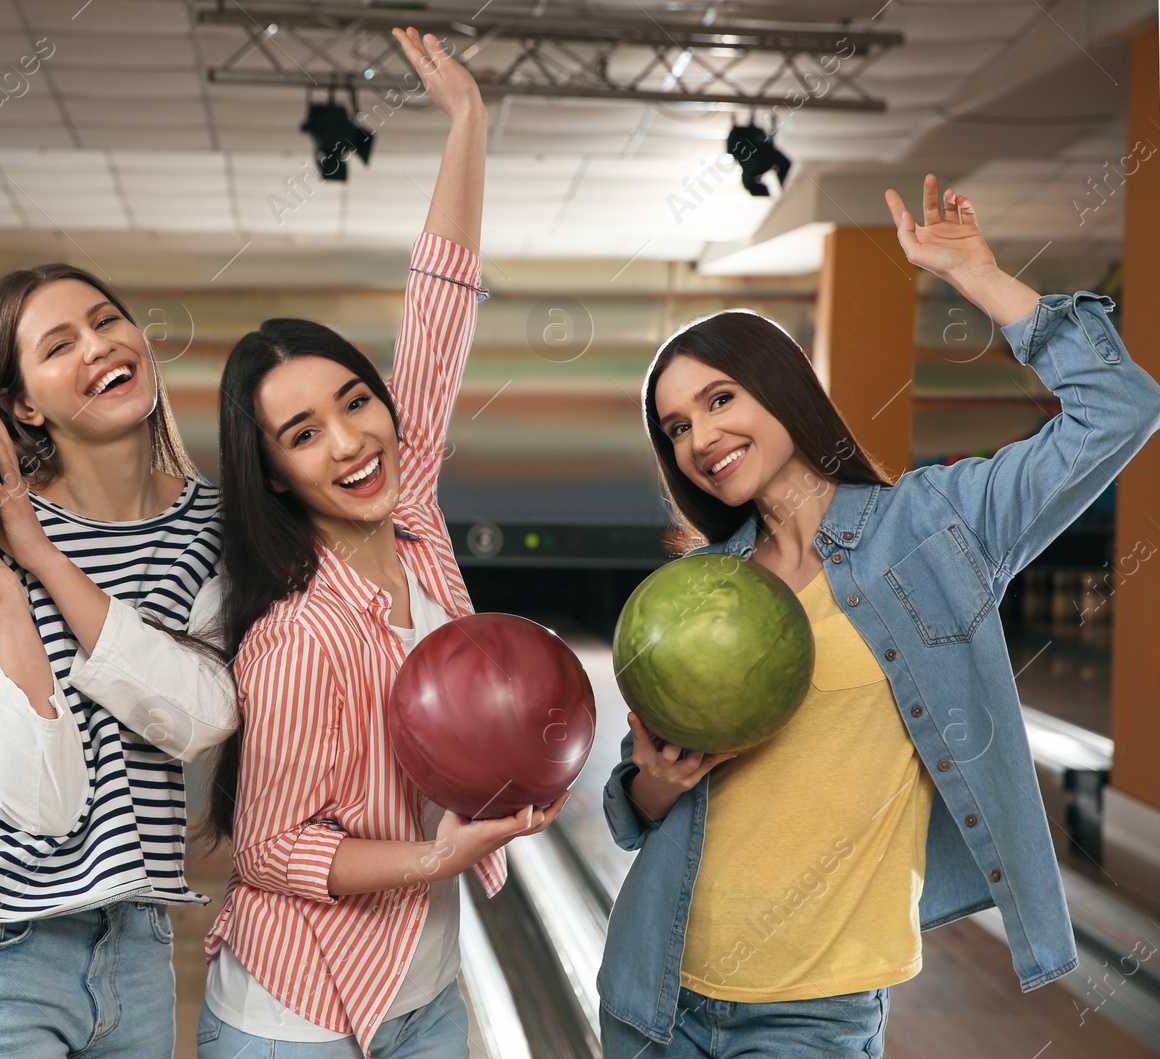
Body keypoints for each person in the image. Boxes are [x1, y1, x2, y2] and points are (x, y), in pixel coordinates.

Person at [597, 175, 1160, 1057]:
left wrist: (980, 279)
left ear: (780, 388)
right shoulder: (700, 584)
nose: (699, 438)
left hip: (813, 1013)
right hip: (652, 990)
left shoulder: (936, 528)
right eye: (674, 427)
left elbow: (1118, 409)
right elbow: (632, 808)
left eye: (718, 401)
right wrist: (656, 780)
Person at [196, 28, 567, 1059]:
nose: (351, 439)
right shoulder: (295, 633)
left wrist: (467, 126)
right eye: (302, 434)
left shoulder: (414, 517)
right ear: (273, 472)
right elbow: (270, 849)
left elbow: (438, 315)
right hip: (299, 1016)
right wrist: (433, 861)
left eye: (357, 401)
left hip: (427, 990)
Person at [0, 260, 239, 1058]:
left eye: (107, 321)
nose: (99, 346)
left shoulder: (211, 525)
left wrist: (43, 561)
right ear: (20, 402)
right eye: (59, 344)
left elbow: (200, 716)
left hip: (133, 938)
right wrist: (9, 598)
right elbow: (39, 801)